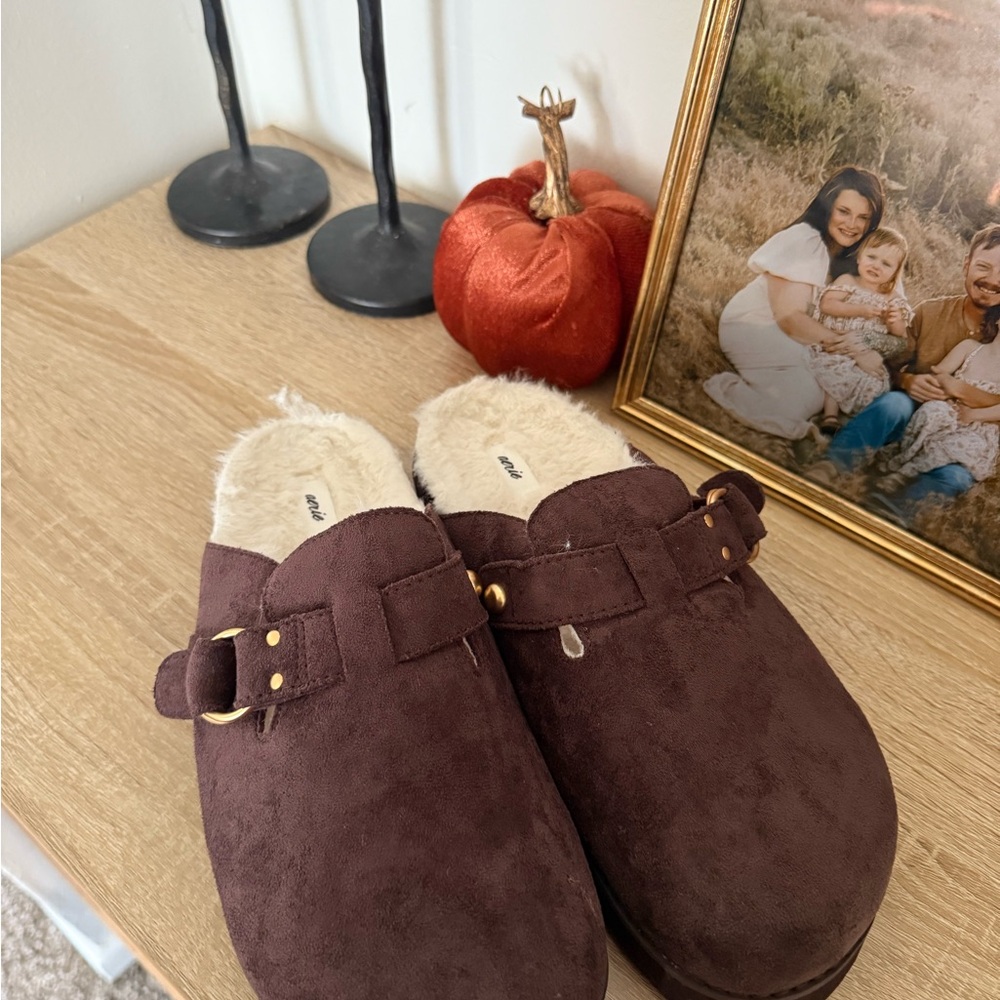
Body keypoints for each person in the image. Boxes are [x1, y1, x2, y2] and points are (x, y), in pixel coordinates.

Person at [812, 223, 1000, 512]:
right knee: (893, 404)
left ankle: (892, 511)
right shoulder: (931, 312)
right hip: (915, 417)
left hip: (964, 436)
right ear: (967, 265)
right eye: (984, 267)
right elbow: (892, 361)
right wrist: (908, 381)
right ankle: (833, 464)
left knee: (956, 476)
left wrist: (966, 395)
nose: (992, 279)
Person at [703, 166, 885, 439]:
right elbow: (789, 318)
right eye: (844, 212)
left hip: (795, 335)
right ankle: (734, 391)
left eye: (863, 218)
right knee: (806, 395)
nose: (852, 224)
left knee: (839, 384)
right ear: (828, 207)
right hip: (754, 326)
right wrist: (854, 351)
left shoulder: (844, 254)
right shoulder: (805, 239)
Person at [873, 334, 1000, 519]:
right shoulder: (971, 347)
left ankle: (903, 476)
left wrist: (974, 414)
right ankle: (904, 460)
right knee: (932, 412)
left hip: (981, 424)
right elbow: (939, 372)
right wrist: (945, 387)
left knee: (960, 445)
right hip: (951, 408)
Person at [807, 227, 912, 436]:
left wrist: (895, 319)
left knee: (874, 379)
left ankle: (855, 420)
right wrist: (860, 310)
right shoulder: (848, 282)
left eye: (886, 264)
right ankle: (830, 416)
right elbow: (828, 304)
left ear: (895, 272)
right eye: (871, 257)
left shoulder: (892, 298)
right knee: (837, 369)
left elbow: (900, 334)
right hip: (837, 345)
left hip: (866, 351)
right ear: (859, 258)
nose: (876, 265)